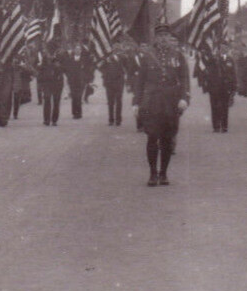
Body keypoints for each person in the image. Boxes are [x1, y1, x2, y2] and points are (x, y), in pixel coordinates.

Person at [133, 21, 190, 186]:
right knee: (152, 137)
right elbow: (140, 81)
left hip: (171, 103)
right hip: (151, 102)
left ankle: (163, 173)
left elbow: (185, 78)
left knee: (167, 138)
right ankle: (152, 173)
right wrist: (136, 102)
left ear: (169, 37)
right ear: (155, 38)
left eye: (166, 35)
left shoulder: (177, 55)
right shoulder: (147, 56)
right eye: (160, 36)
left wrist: (184, 98)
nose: (163, 38)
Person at [202, 46, 237, 132]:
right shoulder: (213, 59)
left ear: (227, 49)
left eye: (225, 48)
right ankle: (216, 126)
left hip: (225, 86)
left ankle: (224, 126)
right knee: (214, 106)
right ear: (219, 49)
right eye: (221, 48)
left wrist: (234, 87)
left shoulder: (230, 60)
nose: (223, 49)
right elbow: (206, 68)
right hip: (214, 87)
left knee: (225, 106)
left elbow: (233, 74)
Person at [37, 47, 66, 126]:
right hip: (47, 83)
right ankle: (46, 120)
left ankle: (54, 120)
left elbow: (65, 69)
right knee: (47, 100)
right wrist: (41, 83)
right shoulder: (44, 59)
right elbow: (40, 71)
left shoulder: (60, 57)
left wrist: (58, 65)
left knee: (56, 102)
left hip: (57, 83)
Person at [64, 44, 92, 120]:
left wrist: (86, 79)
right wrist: (69, 77)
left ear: (81, 51)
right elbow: (67, 69)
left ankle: (79, 113)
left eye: (79, 49)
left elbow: (88, 70)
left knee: (79, 96)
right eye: (76, 49)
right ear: (74, 51)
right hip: (72, 81)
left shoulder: (84, 60)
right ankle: (74, 112)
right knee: (74, 96)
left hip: (81, 81)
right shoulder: (70, 59)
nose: (77, 51)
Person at [101, 48, 127, 127]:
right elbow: (101, 68)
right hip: (109, 82)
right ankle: (111, 119)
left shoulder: (123, 57)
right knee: (110, 102)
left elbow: (127, 67)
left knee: (118, 101)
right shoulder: (106, 58)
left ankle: (118, 120)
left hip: (119, 82)